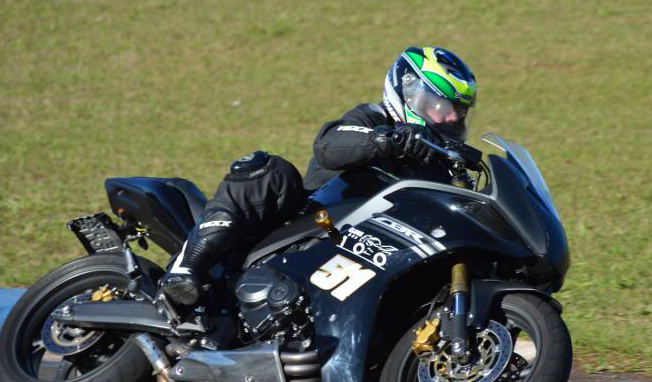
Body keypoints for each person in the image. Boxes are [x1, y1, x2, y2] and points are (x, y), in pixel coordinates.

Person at [159, 45, 477, 305]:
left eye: (458, 111)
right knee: (270, 170)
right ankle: (186, 269)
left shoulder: (441, 165)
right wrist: (389, 140)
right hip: (305, 229)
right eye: (441, 105)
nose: (451, 117)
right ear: (410, 94)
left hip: (369, 262)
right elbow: (330, 145)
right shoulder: (374, 119)